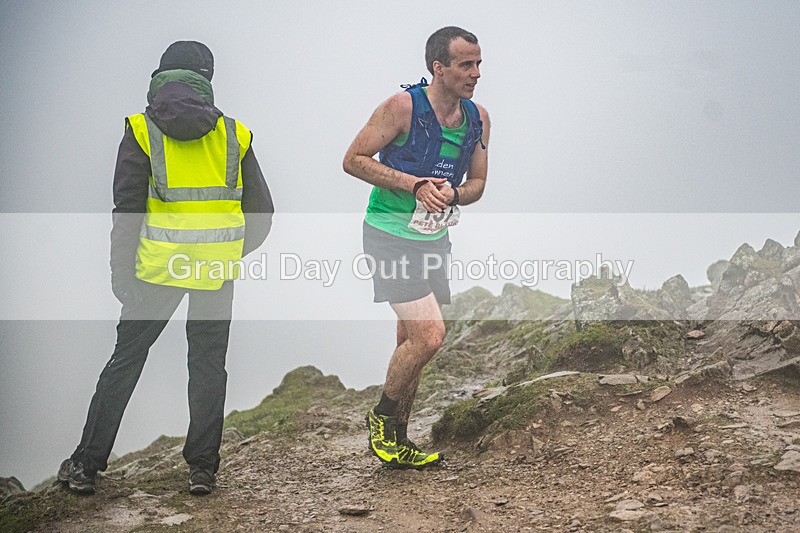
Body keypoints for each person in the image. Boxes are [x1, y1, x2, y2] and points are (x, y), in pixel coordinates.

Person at [57, 41, 274, 495]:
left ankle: (85, 465)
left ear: (160, 78)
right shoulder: (235, 134)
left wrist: (121, 274)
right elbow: (262, 212)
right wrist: (227, 253)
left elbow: (127, 210)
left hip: (154, 272)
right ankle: (202, 470)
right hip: (214, 272)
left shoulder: (141, 130)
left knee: (125, 362)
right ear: (206, 80)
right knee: (209, 365)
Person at [343, 27, 490, 468]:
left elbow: (478, 183)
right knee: (430, 336)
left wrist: (453, 194)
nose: (476, 73)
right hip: (388, 234)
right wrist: (414, 184)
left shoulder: (478, 118)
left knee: (411, 340)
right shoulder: (402, 107)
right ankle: (381, 416)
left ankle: (399, 439)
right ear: (438, 68)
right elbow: (353, 160)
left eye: (479, 64)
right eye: (466, 64)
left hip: (433, 237)